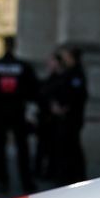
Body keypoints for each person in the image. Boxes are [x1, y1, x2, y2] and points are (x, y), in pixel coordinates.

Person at [0, 36, 38, 193]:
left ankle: (2, 181)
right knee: (23, 149)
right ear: (15, 46)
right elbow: (34, 89)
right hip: (18, 112)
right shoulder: (23, 66)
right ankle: (26, 182)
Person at [49, 47, 88, 185]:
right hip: (65, 118)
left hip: (71, 118)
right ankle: (67, 176)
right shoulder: (69, 72)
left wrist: (64, 107)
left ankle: (73, 176)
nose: (64, 58)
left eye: (66, 55)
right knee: (67, 147)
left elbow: (77, 96)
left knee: (71, 147)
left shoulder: (76, 74)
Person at [33, 51, 63, 181]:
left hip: (51, 120)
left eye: (52, 61)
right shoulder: (49, 78)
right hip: (44, 118)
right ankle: (40, 170)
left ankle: (49, 172)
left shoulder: (59, 79)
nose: (48, 63)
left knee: (50, 148)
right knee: (42, 146)